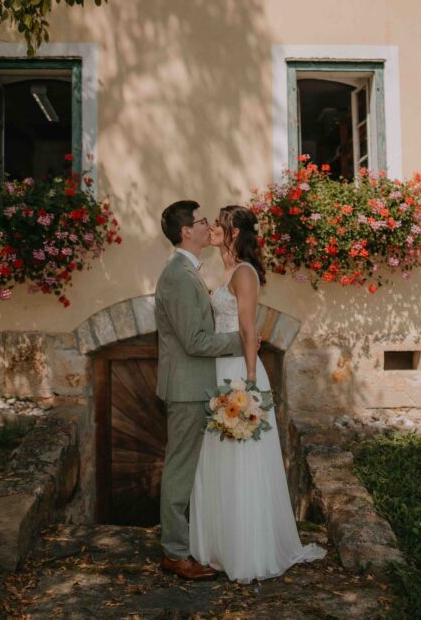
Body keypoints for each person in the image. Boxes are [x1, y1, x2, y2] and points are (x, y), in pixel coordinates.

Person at [189, 204, 326, 583]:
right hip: (223, 368)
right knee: (221, 457)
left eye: (221, 223)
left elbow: (249, 329)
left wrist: (248, 384)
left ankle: (247, 550)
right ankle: (221, 545)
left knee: (241, 459)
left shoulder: (245, 273)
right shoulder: (229, 271)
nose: (214, 228)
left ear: (234, 233)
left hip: (238, 373)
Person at [154, 200, 247, 581]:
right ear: (185, 232)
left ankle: (192, 544)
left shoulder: (188, 271)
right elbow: (194, 341)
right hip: (187, 388)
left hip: (198, 386)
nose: (207, 225)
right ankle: (175, 553)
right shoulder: (177, 275)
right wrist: (242, 341)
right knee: (180, 470)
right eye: (200, 221)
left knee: (194, 470)